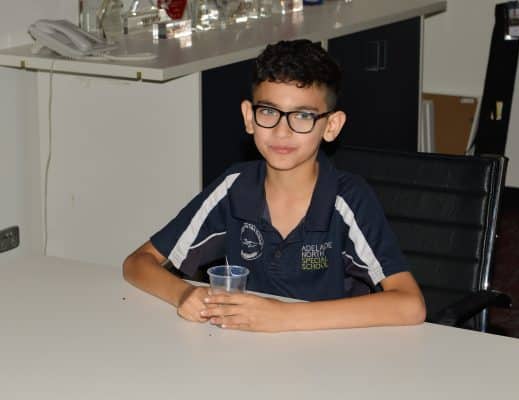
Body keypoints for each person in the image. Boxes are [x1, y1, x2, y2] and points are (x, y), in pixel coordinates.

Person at [123, 39, 426, 332]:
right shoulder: (234, 188)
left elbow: (410, 304)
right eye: (268, 112)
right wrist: (184, 294)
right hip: (243, 349)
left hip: (329, 355)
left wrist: (283, 317)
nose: (282, 131)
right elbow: (137, 263)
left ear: (331, 126)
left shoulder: (347, 198)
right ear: (249, 117)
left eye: (303, 116)